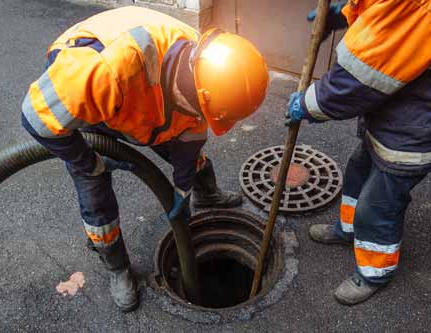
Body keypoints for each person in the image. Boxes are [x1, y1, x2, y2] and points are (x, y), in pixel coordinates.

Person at [21, 6, 268, 311]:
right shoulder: (103, 72)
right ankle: (118, 268)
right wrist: (89, 161)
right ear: (198, 95)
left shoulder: (210, 70)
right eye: (209, 115)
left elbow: (189, 142)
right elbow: (35, 118)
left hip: (147, 101)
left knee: (188, 150)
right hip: (98, 90)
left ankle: (207, 196)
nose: (206, 121)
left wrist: (182, 190)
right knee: (94, 191)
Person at [287, 0, 431, 305]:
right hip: (389, 116)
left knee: (378, 205)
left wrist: (309, 105)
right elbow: (378, 12)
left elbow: (358, 80)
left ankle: (374, 271)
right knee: (357, 172)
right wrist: (343, 14)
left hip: (411, 134)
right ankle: (349, 230)